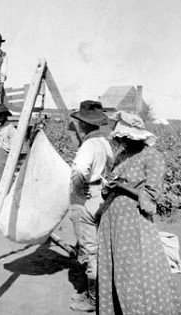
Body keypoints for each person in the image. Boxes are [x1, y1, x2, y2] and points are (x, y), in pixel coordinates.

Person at [98, 111, 181, 315]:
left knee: (135, 269)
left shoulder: (153, 157)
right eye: (121, 139)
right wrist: (109, 186)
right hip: (112, 219)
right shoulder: (123, 155)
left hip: (134, 221)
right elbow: (112, 180)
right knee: (114, 265)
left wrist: (123, 186)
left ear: (138, 136)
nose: (123, 142)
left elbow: (151, 196)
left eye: (127, 138)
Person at [69, 101, 113, 313]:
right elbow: (111, 166)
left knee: (90, 251)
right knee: (99, 246)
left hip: (86, 198)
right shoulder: (105, 143)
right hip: (100, 197)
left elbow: (79, 169)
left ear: (84, 125)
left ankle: (93, 300)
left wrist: (79, 189)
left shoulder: (88, 145)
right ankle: (102, 292)